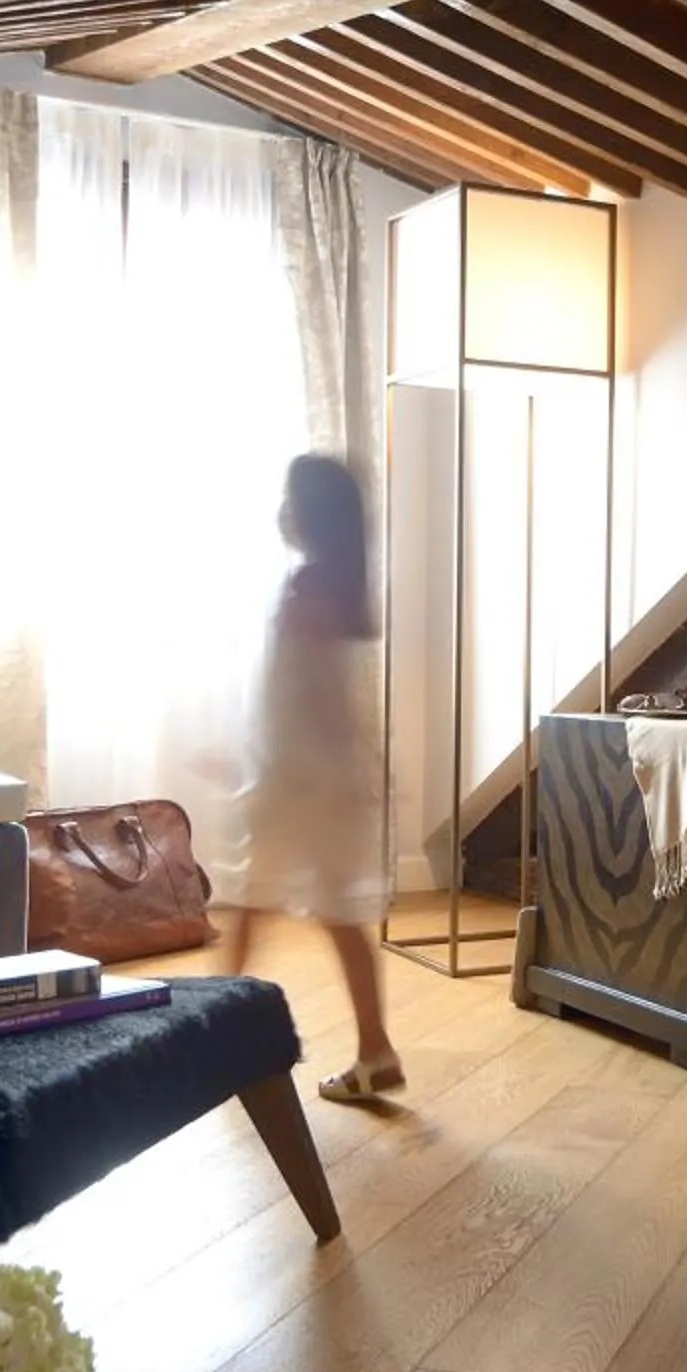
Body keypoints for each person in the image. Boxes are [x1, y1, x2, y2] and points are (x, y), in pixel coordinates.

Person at [224, 454, 399, 1104]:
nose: (281, 511)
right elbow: (315, 695)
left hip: (298, 783)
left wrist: (271, 774)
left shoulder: (308, 590)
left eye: (290, 500)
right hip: (320, 781)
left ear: (311, 516)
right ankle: (376, 1050)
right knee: (336, 916)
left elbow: (303, 699)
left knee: (248, 900)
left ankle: (211, 1041)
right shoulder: (331, 586)